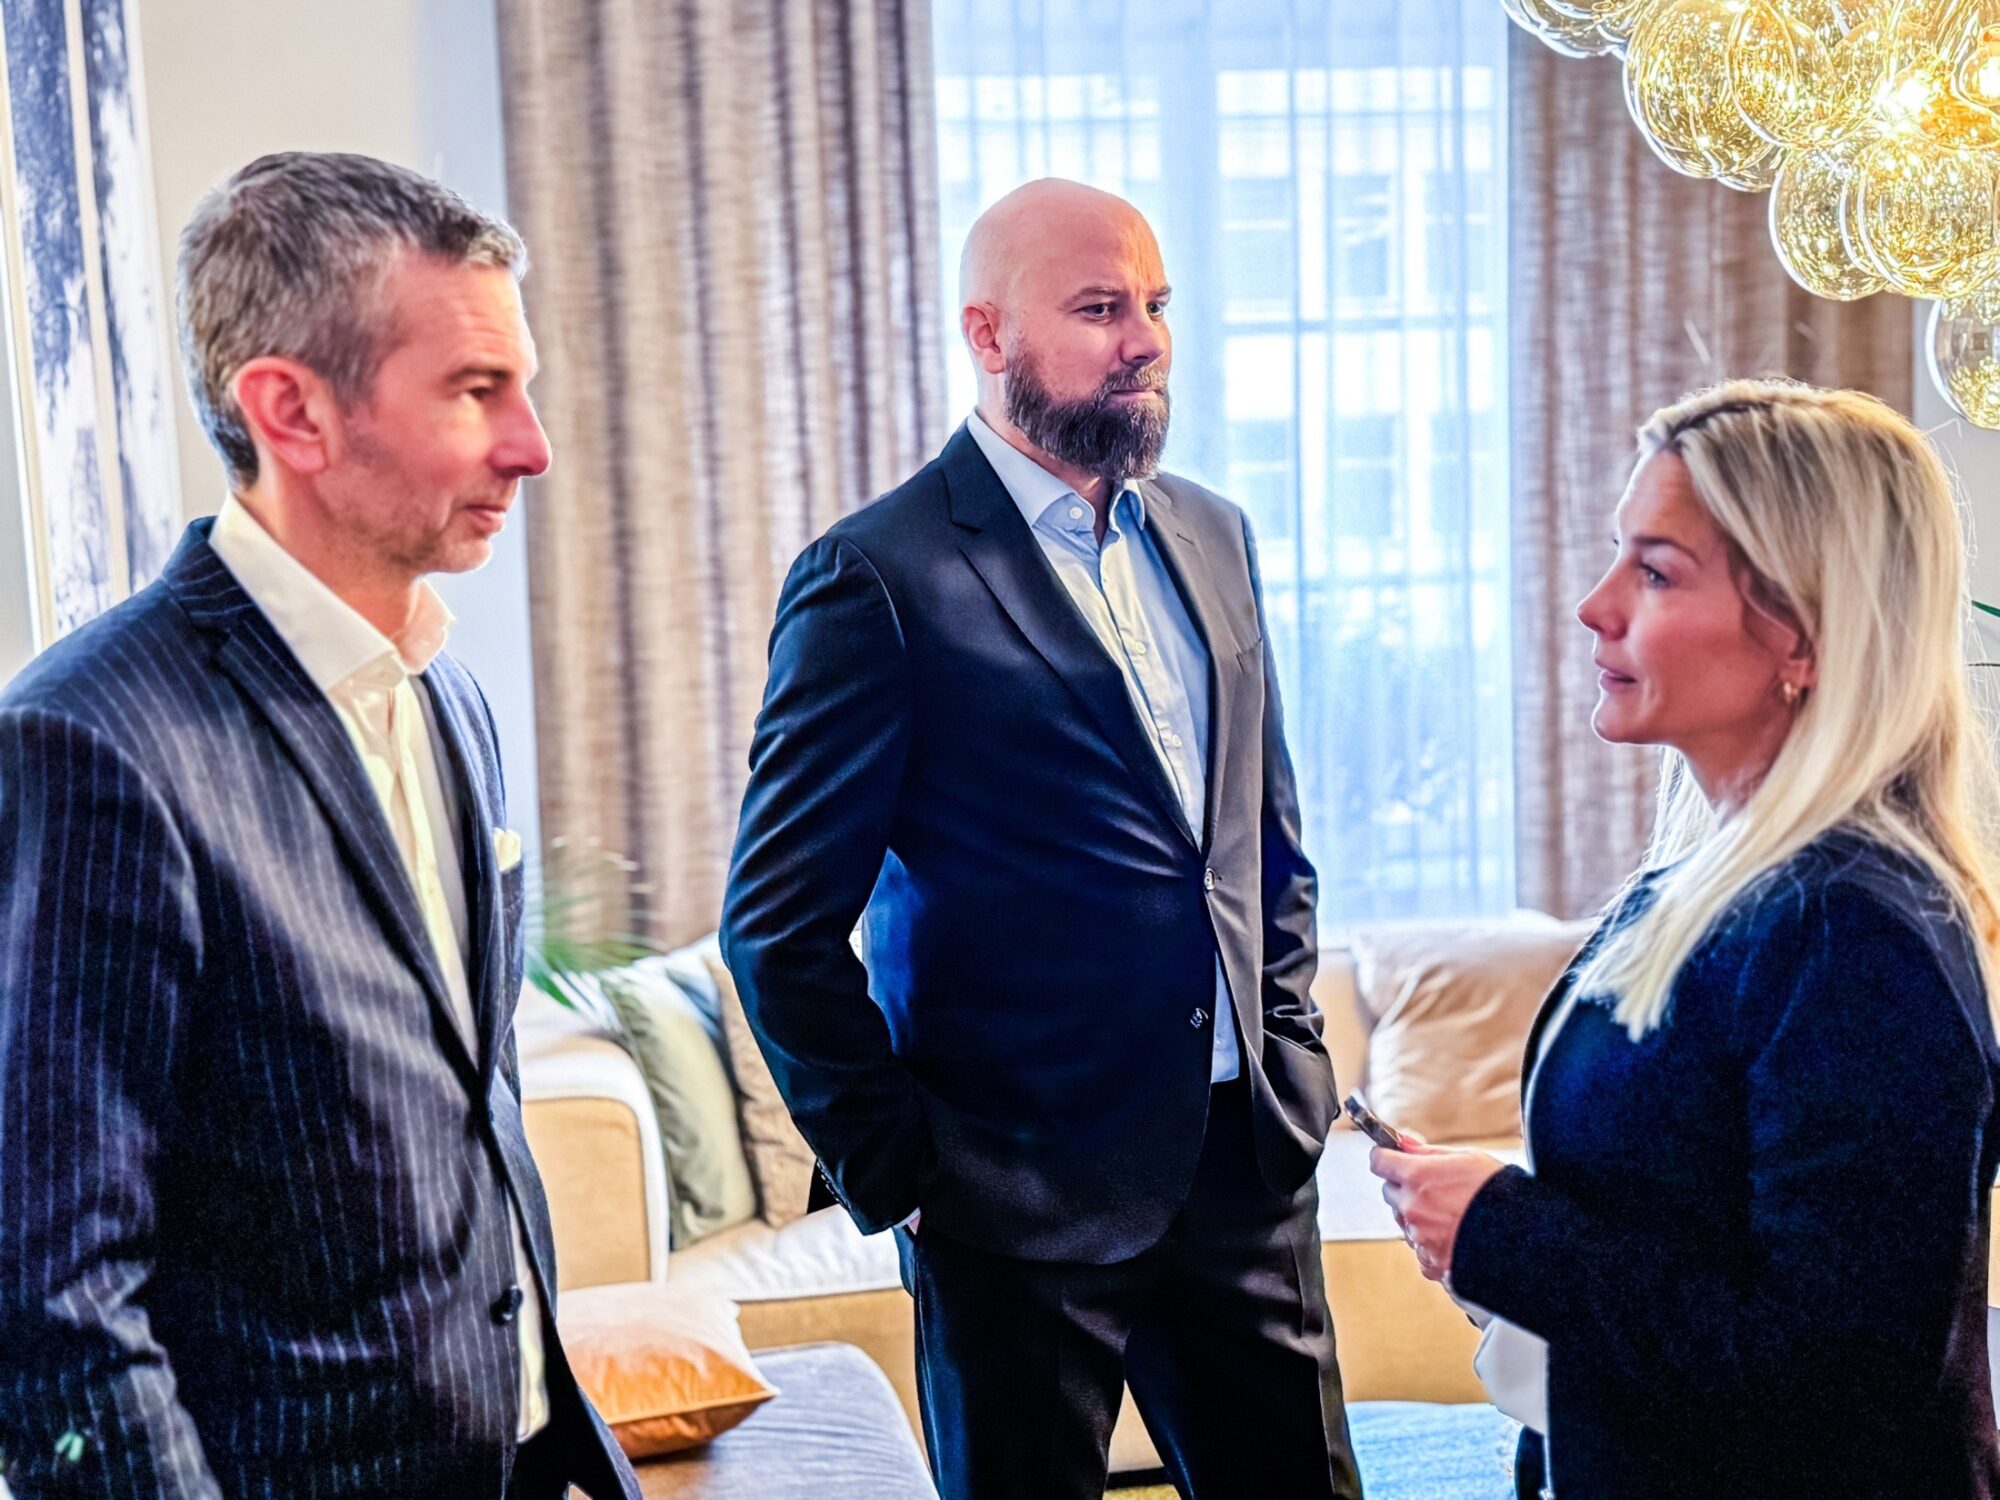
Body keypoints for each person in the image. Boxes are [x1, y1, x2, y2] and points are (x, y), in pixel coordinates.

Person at [0, 152, 639, 1500]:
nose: (531, 444)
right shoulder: (90, 743)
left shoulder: (448, 693)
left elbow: (469, 1104)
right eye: (475, 390)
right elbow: (53, 1294)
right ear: (290, 410)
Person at [720, 178, 1362, 1500]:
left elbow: (1260, 842)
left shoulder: (1214, 535)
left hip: (1243, 1171)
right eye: (1099, 309)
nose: (1145, 341)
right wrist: (903, 1174)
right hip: (1009, 1210)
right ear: (988, 333)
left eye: (1156, 306)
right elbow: (775, 927)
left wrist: (1292, 1057)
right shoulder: (877, 578)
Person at [1371, 379, 2000, 1499]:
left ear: (1802, 635)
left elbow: (1839, 1382)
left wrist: (1507, 1237)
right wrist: (1500, 1246)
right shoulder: (1707, 886)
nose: (1593, 605)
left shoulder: (1849, 936)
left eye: (1655, 572)